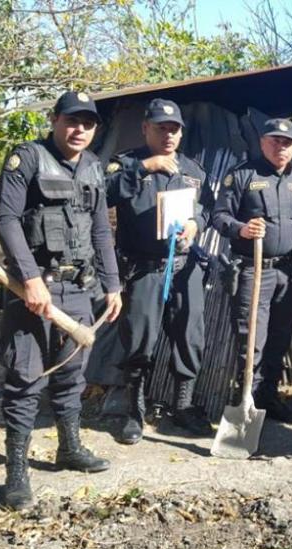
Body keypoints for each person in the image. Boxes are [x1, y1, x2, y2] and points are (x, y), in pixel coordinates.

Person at [0, 90, 122, 510]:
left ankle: (69, 448)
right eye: (71, 120)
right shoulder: (28, 158)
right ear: (54, 120)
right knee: (25, 378)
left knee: (71, 375)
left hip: (78, 289)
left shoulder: (94, 166)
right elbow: (6, 219)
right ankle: (16, 472)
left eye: (88, 123)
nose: (79, 129)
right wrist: (30, 279)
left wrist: (113, 284)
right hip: (32, 292)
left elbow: (100, 229)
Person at [105, 98, 215, 444]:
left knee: (190, 337)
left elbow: (209, 209)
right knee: (139, 340)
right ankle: (134, 411)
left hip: (184, 267)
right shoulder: (125, 164)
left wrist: (196, 224)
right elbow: (102, 196)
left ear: (181, 133)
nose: (168, 135)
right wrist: (144, 167)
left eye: (174, 129)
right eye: (161, 128)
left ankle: (183, 406)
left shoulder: (193, 170)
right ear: (145, 129)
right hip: (143, 269)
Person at [212, 118, 292, 423]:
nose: (281, 147)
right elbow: (219, 216)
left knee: (279, 338)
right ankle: (246, 402)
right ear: (262, 142)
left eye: (287, 143)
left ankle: (268, 398)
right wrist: (241, 228)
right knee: (251, 340)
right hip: (253, 271)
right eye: (275, 141)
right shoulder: (242, 174)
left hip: (285, 274)